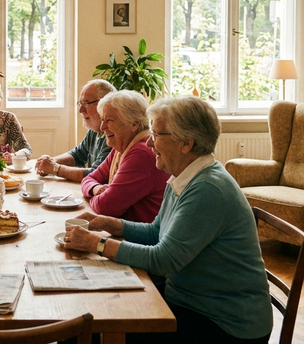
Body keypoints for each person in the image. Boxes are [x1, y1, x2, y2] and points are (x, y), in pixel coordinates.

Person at [63, 96, 272, 343]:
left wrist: (97, 245)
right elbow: (156, 232)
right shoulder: (183, 177)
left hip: (224, 323)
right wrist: (110, 224)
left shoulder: (208, 189)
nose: (149, 142)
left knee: (83, 334)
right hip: (188, 300)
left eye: (157, 134)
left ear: (186, 143)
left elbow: (163, 260)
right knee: (86, 318)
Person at [78, 89, 169, 222]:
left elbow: (106, 206)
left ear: (134, 124)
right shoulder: (121, 147)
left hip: (141, 238)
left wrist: (94, 197)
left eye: (109, 120)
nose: (102, 127)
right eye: (102, 119)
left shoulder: (141, 153)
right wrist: (96, 189)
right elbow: (89, 178)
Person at [34, 79, 116, 182]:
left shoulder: (113, 134)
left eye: (86, 103)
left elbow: (96, 174)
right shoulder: (94, 130)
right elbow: (77, 155)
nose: (80, 110)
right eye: (80, 103)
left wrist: (55, 168)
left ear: (104, 103)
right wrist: (51, 162)